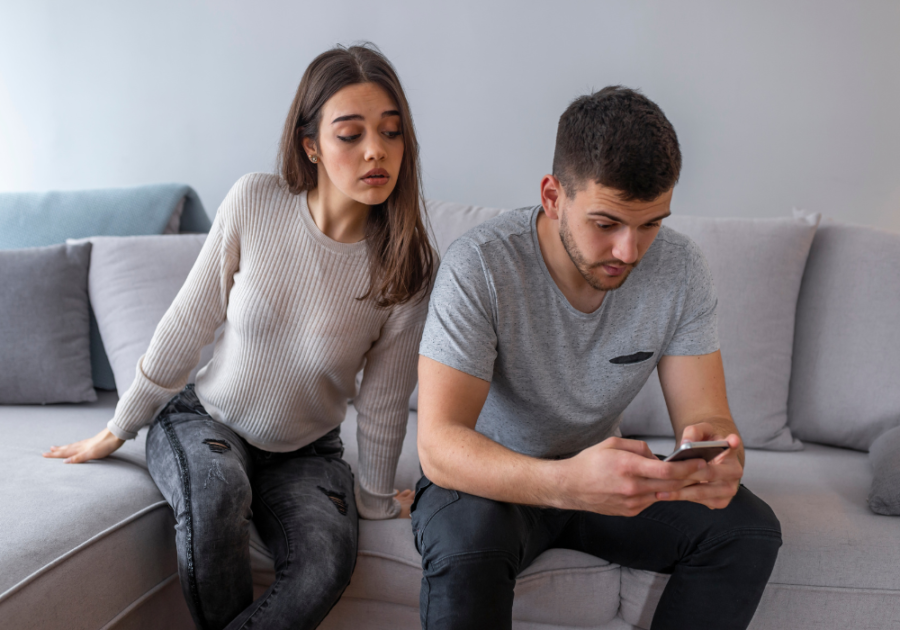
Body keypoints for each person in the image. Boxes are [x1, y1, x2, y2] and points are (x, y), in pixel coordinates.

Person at [44, 44, 433, 630]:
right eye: (350, 135)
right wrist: (118, 426)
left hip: (308, 454)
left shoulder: (404, 266)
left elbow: (381, 402)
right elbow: (189, 320)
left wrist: (376, 500)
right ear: (312, 145)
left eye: (391, 132)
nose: (376, 150)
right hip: (206, 420)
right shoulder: (256, 200)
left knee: (326, 561)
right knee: (218, 496)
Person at [413, 86, 782, 630]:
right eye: (607, 223)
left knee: (747, 531)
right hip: (493, 481)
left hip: (605, 483)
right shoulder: (481, 266)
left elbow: (710, 417)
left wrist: (719, 462)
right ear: (553, 196)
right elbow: (439, 446)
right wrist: (565, 482)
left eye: (651, 223)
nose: (629, 252)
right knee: (470, 551)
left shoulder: (681, 269)